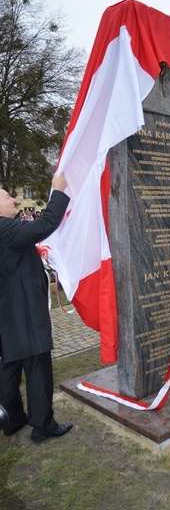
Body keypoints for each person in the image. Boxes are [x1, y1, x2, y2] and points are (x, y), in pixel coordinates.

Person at [0, 173, 73, 441]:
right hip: (25, 311)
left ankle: (12, 419)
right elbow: (47, 223)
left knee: (9, 365)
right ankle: (43, 426)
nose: (15, 200)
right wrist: (58, 191)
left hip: (8, 313)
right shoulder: (5, 229)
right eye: (8, 197)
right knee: (37, 366)